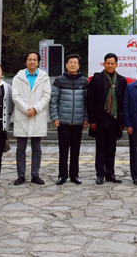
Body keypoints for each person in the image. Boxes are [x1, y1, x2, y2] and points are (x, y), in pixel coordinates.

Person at [12, 50, 51, 185]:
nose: (32, 62)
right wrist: (26, 109)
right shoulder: (18, 77)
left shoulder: (44, 77)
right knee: (20, 148)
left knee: (37, 148)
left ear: (38, 62)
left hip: (37, 115)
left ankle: (35, 174)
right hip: (23, 115)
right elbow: (15, 96)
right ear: (26, 61)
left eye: (34, 59)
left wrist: (35, 109)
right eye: (30, 59)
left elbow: (46, 95)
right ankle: (21, 175)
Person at [87, 53, 127, 184]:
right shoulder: (97, 79)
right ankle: (100, 174)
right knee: (100, 148)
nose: (110, 65)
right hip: (100, 120)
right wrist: (92, 120)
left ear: (116, 64)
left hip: (115, 120)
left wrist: (123, 121)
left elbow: (123, 103)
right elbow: (90, 101)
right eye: (108, 63)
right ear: (104, 64)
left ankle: (110, 174)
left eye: (112, 63)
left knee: (112, 148)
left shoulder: (121, 80)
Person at [49, 54, 88, 185]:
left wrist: (86, 117)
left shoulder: (84, 81)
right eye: (70, 62)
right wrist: (54, 117)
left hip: (78, 121)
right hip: (63, 121)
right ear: (66, 65)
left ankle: (74, 175)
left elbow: (87, 102)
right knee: (63, 149)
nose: (72, 65)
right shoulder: (59, 80)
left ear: (78, 65)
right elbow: (53, 100)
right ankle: (62, 175)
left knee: (76, 150)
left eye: (75, 63)